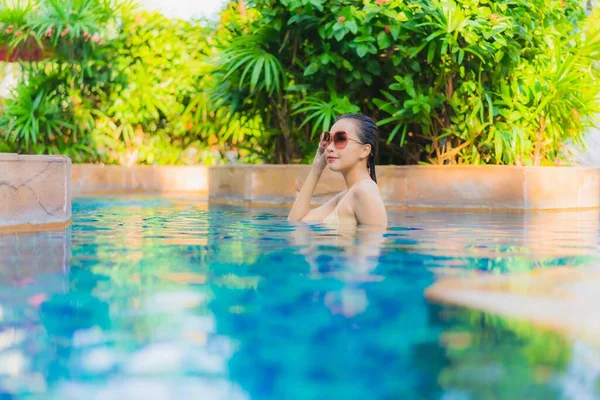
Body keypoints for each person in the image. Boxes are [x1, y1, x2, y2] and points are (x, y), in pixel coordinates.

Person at [287, 113, 387, 226]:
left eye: (340, 139)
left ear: (364, 150)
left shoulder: (364, 191)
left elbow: (375, 241)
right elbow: (296, 222)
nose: (329, 148)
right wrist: (317, 168)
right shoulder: (347, 195)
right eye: (328, 139)